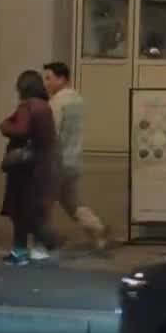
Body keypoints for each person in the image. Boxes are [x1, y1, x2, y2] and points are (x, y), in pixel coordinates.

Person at [43, 61, 109, 250]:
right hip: (74, 160)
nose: (46, 83)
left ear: (61, 78)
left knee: (44, 203)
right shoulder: (78, 100)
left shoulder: (57, 102)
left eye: (49, 78)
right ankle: (98, 229)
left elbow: (52, 132)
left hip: (57, 161)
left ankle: (45, 241)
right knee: (72, 202)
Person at [0, 69, 60, 265]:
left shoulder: (27, 106)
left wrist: (4, 125)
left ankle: (23, 251)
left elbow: (20, 130)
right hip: (42, 166)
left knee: (21, 212)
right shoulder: (45, 106)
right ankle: (37, 246)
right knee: (32, 211)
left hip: (25, 169)